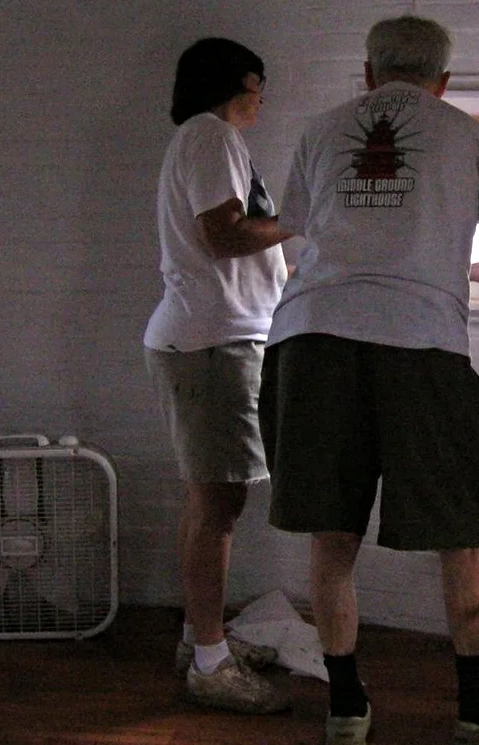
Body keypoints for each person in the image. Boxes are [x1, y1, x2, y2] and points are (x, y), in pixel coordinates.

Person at [259, 16, 479, 745]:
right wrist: (458, 266)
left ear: (366, 74)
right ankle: (478, 713)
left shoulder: (319, 131)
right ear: (443, 82)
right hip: (420, 346)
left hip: (310, 341)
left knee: (333, 534)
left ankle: (347, 708)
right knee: (461, 535)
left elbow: (300, 235)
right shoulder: (470, 135)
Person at [143, 37, 293, 715]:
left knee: (209, 503)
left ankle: (196, 640)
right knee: (219, 507)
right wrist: (298, 219)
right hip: (212, 343)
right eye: (259, 86)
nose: (263, 99)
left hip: (210, 339)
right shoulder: (209, 136)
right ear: (238, 83)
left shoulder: (208, 140)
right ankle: (209, 664)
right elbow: (224, 236)